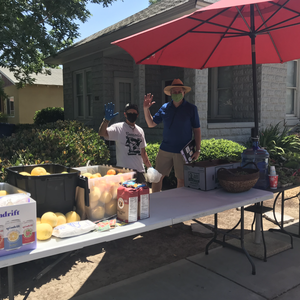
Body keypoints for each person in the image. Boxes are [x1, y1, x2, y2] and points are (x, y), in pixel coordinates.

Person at [143, 79, 201, 192]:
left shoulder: (191, 109)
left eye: (179, 91)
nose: (177, 94)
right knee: (157, 178)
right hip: (165, 149)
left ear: (184, 93)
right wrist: (146, 109)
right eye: (174, 92)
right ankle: (155, 203)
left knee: (181, 180)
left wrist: (197, 150)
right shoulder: (165, 108)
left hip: (183, 151)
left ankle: (178, 206)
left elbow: (197, 130)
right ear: (170, 94)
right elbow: (151, 124)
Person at [98, 102, 151, 183]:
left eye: (134, 113)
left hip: (140, 171)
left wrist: (150, 168)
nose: (132, 115)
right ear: (125, 114)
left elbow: (143, 153)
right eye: (129, 113)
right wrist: (106, 120)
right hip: (124, 172)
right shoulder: (118, 128)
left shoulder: (140, 131)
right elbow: (102, 133)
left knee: (142, 195)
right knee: (125, 195)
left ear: (137, 115)